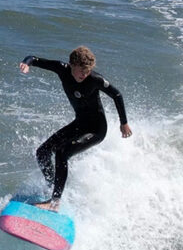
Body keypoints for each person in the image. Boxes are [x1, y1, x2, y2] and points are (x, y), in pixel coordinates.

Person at [19, 47, 132, 211]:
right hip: (79, 124)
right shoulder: (62, 69)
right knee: (42, 152)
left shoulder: (95, 79)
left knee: (62, 152)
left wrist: (124, 123)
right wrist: (26, 63)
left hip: (96, 129)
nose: (84, 75)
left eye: (87, 71)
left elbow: (117, 95)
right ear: (72, 65)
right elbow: (34, 59)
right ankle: (53, 188)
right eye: (81, 71)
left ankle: (54, 202)